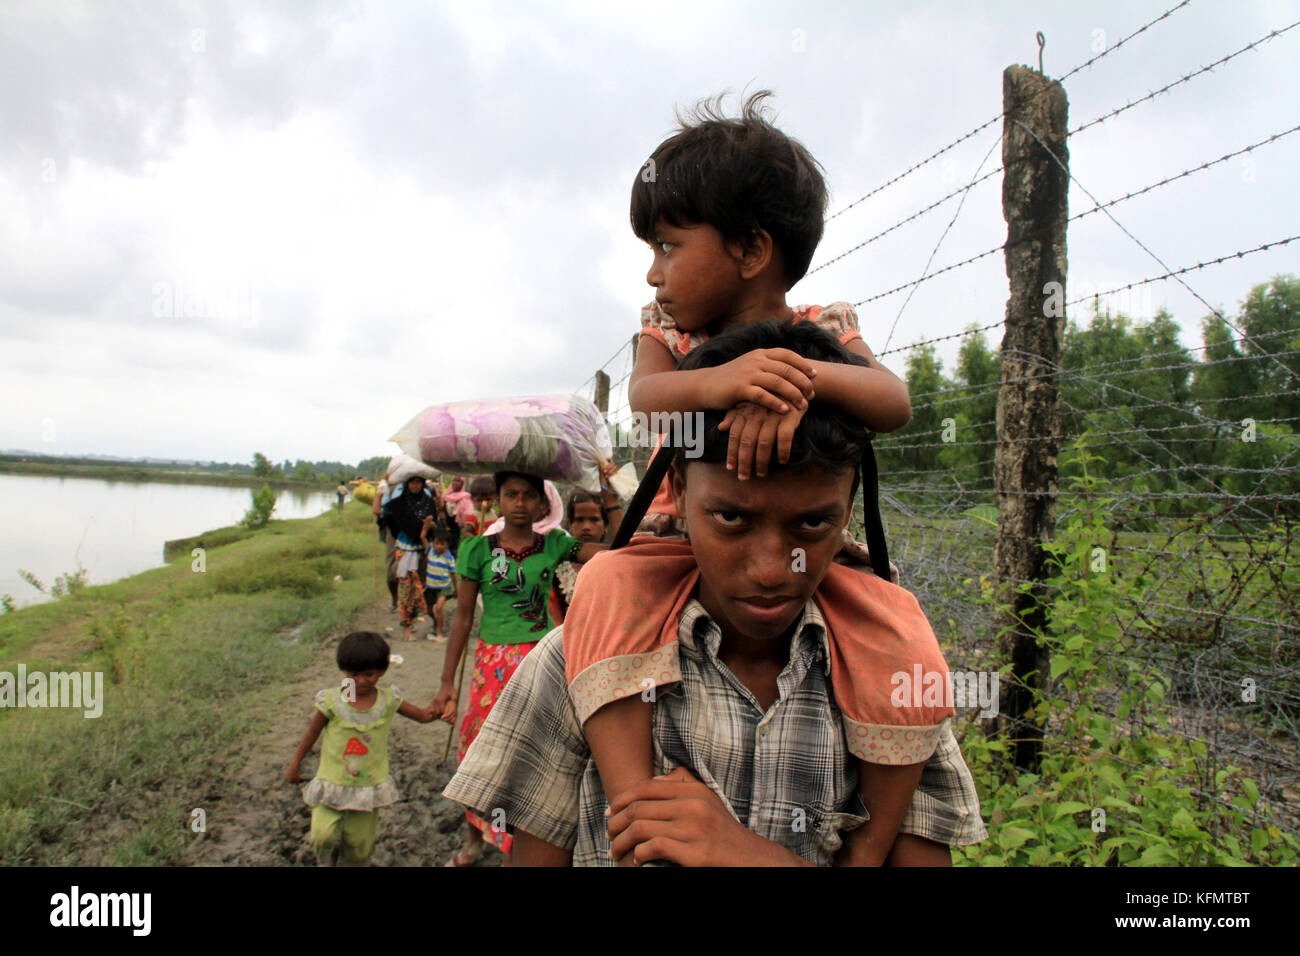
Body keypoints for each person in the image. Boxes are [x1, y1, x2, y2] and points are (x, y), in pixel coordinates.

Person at [441, 347, 985, 864]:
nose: (772, 570)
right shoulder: (577, 658)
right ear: (677, 490)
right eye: (731, 518)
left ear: (848, 510)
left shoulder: (893, 680)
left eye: (813, 523)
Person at [572, 92, 935, 864]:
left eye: (668, 245)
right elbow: (649, 402)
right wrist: (729, 380)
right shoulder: (664, 333)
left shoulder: (823, 329)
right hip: (680, 543)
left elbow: (892, 401)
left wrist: (795, 377)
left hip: (814, 551)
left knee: (903, 630)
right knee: (602, 584)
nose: (653, 269)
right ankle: (634, 799)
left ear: (749, 249)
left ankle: (870, 845)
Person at [429, 470, 609, 866]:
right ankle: (474, 839)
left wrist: (613, 491)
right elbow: (461, 620)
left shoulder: (554, 544)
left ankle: (518, 846)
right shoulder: (476, 550)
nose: (521, 503)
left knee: (535, 752)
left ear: (543, 504)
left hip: (541, 661)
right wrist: (446, 683)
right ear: (497, 499)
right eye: (512, 494)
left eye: (529, 496)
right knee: (480, 748)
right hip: (491, 664)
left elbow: (608, 554)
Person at [285, 631, 436, 865]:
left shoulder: (388, 701)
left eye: (369, 674)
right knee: (322, 835)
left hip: (367, 787)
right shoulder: (332, 702)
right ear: (343, 671)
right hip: (331, 782)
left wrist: (441, 711)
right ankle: (327, 859)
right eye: (353, 675)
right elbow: (312, 733)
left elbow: (422, 716)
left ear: (383, 671)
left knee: (359, 846)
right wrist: (295, 764)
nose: (361, 681)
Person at [382, 475, 440, 640]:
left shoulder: (428, 502)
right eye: (412, 482)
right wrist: (423, 527)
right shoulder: (399, 504)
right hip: (406, 550)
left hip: (424, 550)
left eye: (418, 482)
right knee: (407, 588)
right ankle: (406, 626)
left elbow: (435, 524)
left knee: (422, 587)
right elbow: (393, 522)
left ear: (422, 484)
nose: (415, 485)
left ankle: (420, 620)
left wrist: (430, 526)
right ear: (407, 484)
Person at [552, 489, 622, 620]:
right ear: (570, 524)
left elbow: (626, 550)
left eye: (594, 520)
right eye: (579, 520)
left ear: (605, 525)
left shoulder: (612, 562)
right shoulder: (558, 569)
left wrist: (612, 504)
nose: (586, 527)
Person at [422, 530, 458, 642]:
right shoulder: (430, 551)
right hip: (430, 586)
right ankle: (436, 622)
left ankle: (439, 633)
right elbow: (422, 537)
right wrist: (427, 527)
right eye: (437, 543)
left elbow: (453, 575)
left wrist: (456, 589)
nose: (439, 546)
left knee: (439, 608)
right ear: (433, 543)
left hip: (443, 587)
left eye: (442, 544)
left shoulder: (449, 558)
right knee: (428, 610)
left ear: (447, 545)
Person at [371, 475, 399, 611]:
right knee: (391, 571)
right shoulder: (387, 493)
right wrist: (380, 490)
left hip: (411, 534)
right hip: (393, 533)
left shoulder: (414, 490)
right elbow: (376, 510)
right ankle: (395, 599)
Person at [442, 476, 474, 554]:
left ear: (462, 484)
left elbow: (468, 512)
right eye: (454, 480)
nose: (455, 483)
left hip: (456, 527)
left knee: (453, 546)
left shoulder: (465, 497)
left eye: (458, 481)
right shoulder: (446, 496)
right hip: (444, 525)